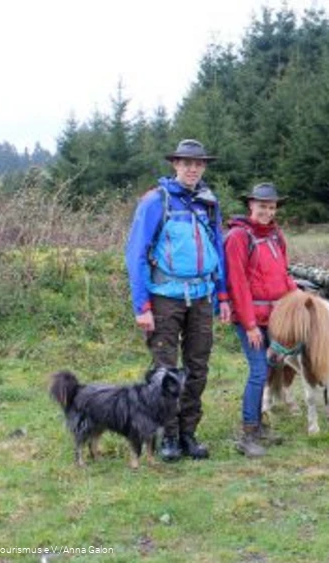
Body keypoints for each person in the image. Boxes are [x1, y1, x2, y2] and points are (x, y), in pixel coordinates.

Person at [125, 139, 232, 461]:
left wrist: (222, 295)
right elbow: (135, 255)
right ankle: (168, 437)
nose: (192, 168)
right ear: (175, 164)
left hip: (201, 298)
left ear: (204, 167)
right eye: (186, 163)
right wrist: (141, 306)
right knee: (165, 370)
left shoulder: (208, 203)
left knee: (198, 368)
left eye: (198, 164)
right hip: (164, 299)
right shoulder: (156, 201)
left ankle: (188, 434)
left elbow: (218, 250)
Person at [224, 182, 297, 457]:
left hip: (275, 316)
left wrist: (298, 296)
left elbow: (284, 273)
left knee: (268, 368)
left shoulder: (276, 235)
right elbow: (238, 283)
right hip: (251, 318)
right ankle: (247, 434)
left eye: (271, 206)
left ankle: (259, 428)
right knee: (257, 371)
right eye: (262, 206)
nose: (267, 211)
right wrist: (250, 325)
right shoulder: (238, 237)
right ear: (250, 206)